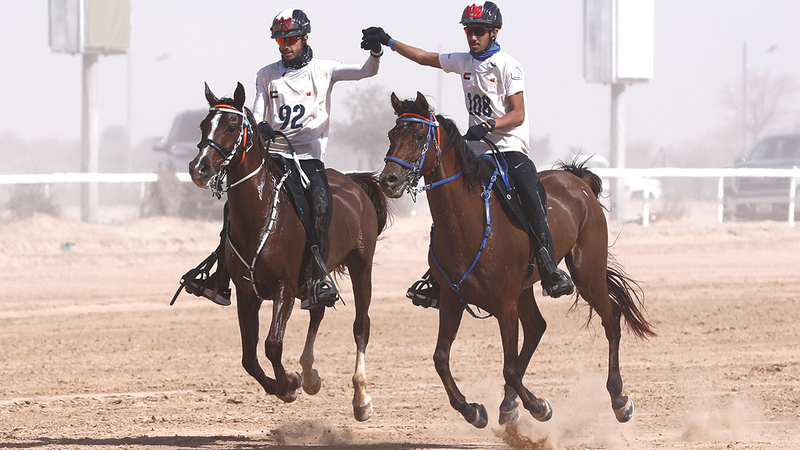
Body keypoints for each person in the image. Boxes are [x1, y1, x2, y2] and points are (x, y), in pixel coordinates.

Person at [361, 1, 574, 306]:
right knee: (448, 198)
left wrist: (489, 125)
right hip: (474, 150)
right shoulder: (463, 61)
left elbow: (518, 114)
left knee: (531, 192)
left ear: (493, 33)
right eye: (468, 31)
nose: (472, 37)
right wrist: (389, 41)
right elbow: (423, 58)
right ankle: (437, 275)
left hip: (509, 148)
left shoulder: (508, 65)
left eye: (478, 31)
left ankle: (550, 266)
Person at [181, 8, 383, 309]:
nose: (285, 45)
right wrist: (262, 127)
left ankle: (317, 276)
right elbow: (260, 114)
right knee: (232, 208)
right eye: (280, 40)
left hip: (309, 158)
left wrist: (377, 52)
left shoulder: (325, 69)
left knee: (321, 205)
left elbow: (367, 71)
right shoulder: (267, 74)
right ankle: (220, 277)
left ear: (304, 37)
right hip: (275, 156)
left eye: (290, 39)